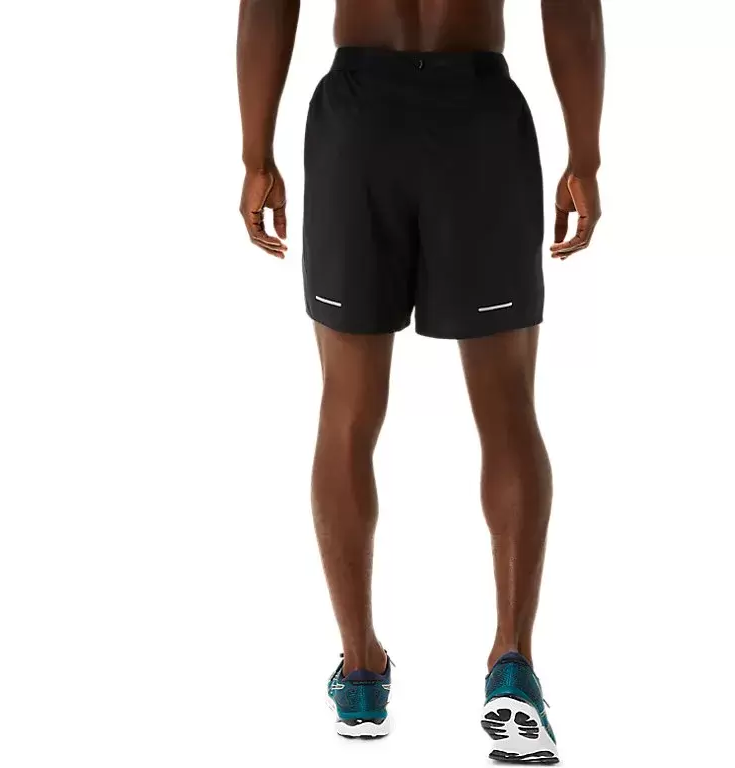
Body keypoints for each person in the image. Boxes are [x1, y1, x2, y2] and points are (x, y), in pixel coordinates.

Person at [236, 1, 603, 762]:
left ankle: (360, 674)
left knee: (346, 413)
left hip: (358, 123)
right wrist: (586, 156)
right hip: (478, 120)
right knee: (508, 408)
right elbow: (571, 7)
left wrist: (255, 154)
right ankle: (512, 664)